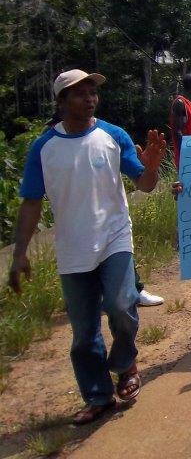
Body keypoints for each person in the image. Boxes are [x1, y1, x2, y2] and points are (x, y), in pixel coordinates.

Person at [9, 70, 167, 425]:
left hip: (114, 238)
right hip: (72, 248)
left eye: (92, 91)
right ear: (61, 102)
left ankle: (126, 364)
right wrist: (19, 254)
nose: (90, 98)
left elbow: (143, 184)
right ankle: (98, 396)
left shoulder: (113, 135)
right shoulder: (44, 148)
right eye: (79, 93)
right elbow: (31, 202)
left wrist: (153, 167)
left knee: (121, 304)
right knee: (83, 333)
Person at [169, 73, 191, 169]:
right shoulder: (180, 103)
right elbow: (177, 132)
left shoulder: (190, 105)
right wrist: (188, 154)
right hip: (188, 158)